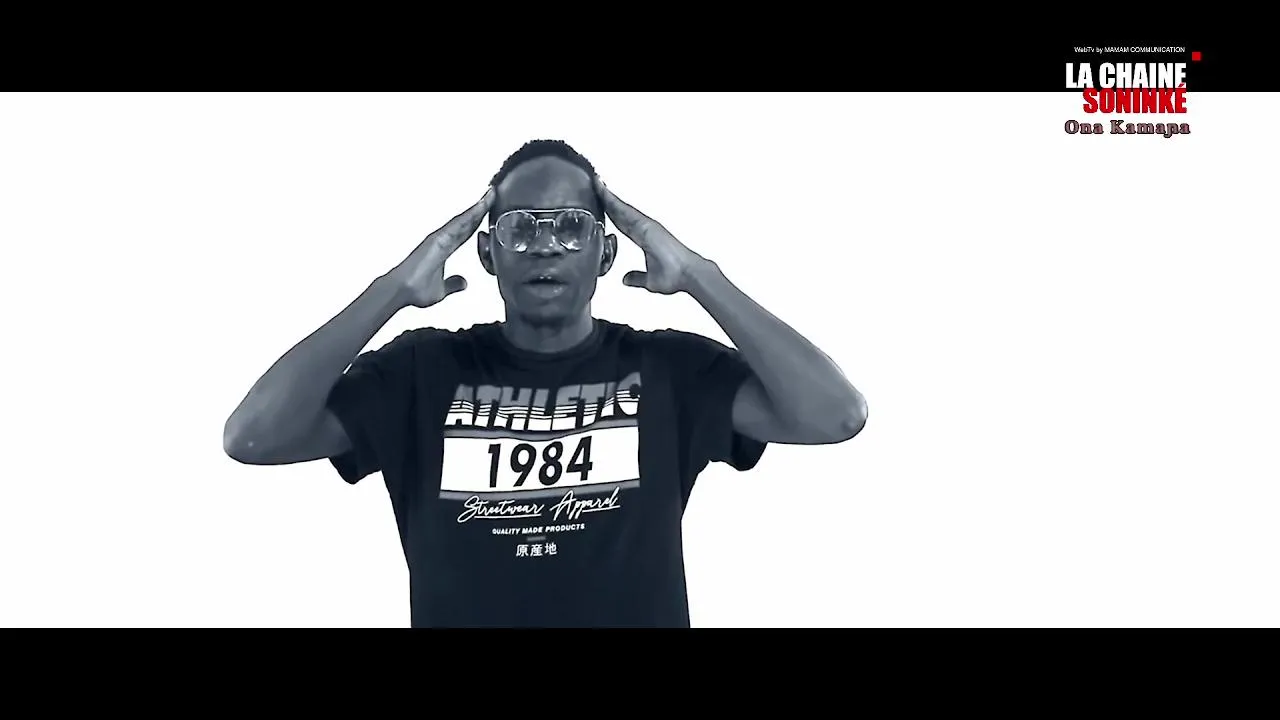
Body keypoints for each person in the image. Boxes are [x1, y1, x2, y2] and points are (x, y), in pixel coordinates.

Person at [223, 139, 867, 628]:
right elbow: (252, 437)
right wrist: (389, 291)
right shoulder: (420, 371)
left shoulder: (668, 369)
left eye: (571, 227)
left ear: (605, 254)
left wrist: (701, 276)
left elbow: (835, 415)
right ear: (488, 253)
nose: (545, 246)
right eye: (520, 228)